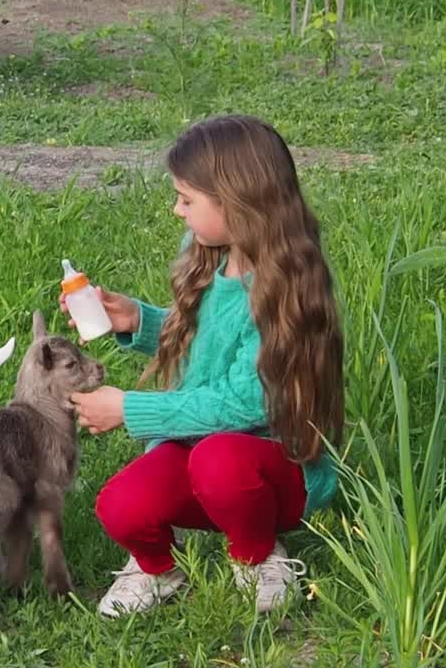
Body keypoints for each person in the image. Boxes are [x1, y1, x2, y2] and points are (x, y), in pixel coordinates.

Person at [64, 115, 345, 618]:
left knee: (220, 460)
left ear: (237, 201)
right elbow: (209, 346)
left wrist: (132, 409)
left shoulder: (287, 289)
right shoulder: (214, 257)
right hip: (202, 454)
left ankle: (257, 556)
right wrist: (139, 320)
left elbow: (241, 403)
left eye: (187, 199)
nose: (177, 210)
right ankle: (157, 570)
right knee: (120, 505)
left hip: (272, 468)